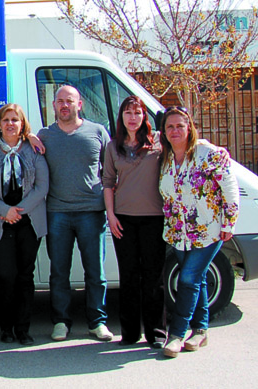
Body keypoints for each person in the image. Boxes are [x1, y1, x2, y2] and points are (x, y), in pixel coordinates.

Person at [159, 107, 239, 358]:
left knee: (188, 279)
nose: (174, 131)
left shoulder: (209, 154)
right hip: (179, 233)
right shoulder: (167, 157)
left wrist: (229, 223)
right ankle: (201, 331)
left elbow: (229, 188)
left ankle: (177, 334)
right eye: (170, 127)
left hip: (208, 231)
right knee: (199, 280)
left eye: (179, 126)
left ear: (189, 127)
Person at [38, 85, 114, 342]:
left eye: (69, 101)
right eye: (59, 101)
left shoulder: (97, 132)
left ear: (79, 104)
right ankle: (61, 321)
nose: (64, 105)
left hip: (91, 213)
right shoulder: (45, 135)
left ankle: (97, 322)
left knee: (96, 272)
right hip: (57, 213)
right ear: (54, 105)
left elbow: (111, 170)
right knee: (59, 272)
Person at [0, 103, 49, 346]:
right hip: (0, 222)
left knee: (24, 276)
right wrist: (5, 210)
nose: (10, 124)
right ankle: (5, 327)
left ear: (22, 124)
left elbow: (42, 187)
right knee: (5, 275)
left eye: (15, 120)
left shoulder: (34, 149)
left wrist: (19, 211)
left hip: (29, 222)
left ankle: (23, 329)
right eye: (6, 120)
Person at [103, 95, 165, 348]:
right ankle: (129, 333)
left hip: (154, 219)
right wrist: (111, 215)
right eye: (128, 113)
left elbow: (187, 143)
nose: (133, 117)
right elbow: (107, 182)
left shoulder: (158, 144)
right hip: (124, 220)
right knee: (128, 278)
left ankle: (156, 333)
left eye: (137, 113)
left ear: (144, 117)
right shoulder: (113, 146)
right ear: (121, 117)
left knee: (153, 278)